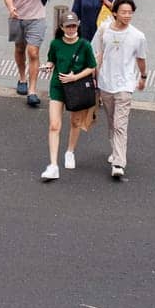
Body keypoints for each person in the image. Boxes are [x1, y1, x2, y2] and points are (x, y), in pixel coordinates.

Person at [92, 0, 147, 180]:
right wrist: (95, 75)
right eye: (124, 12)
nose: (127, 15)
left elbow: (140, 59)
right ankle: (115, 150)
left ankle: (118, 163)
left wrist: (143, 77)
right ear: (114, 12)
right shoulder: (104, 30)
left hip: (125, 84)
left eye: (130, 12)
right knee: (111, 121)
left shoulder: (138, 36)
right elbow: (99, 54)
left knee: (120, 124)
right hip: (106, 83)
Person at [40, 11, 98, 182]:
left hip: (77, 88)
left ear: (77, 26)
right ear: (62, 27)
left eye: (74, 26)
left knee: (75, 122)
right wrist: (48, 66)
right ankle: (53, 165)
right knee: (54, 125)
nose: (71, 29)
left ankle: (70, 151)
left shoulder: (85, 45)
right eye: (68, 26)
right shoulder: (56, 44)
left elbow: (91, 67)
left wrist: (74, 77)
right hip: (58, 87)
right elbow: (52, 60)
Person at [2, 0, 56, 103]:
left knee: (33, 52)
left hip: (37, 17)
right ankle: (22, 78)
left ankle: (32, 90)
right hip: (17, 17)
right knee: (19, 49)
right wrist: (11, 8)